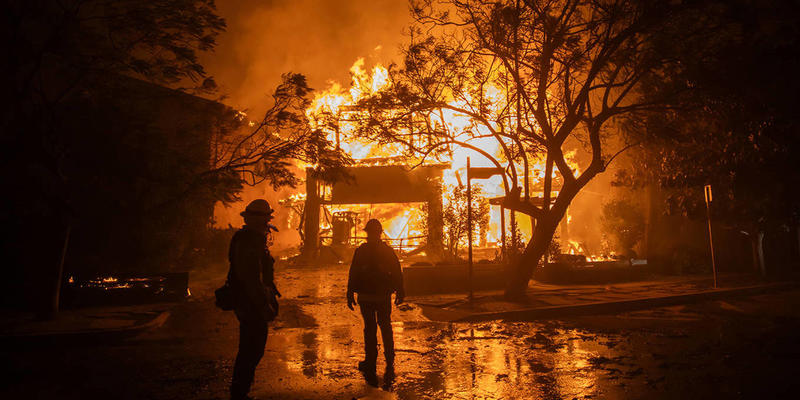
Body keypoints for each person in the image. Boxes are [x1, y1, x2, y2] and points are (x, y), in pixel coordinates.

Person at [229, 199, 281, 400]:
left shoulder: (252, 240)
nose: (268, 225)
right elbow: (250, 278)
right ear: (258, 220)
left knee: (253, 349)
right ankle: (239, 393)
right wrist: (263, 304)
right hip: (250, 303)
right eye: (266, 219)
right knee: (251, 349)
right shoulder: (247, 242)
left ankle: (241, 391)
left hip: (250, 301)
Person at [346, 218, 405, 385]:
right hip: (381, 296)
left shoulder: (361, 251)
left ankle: (370, 361)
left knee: (370, 328)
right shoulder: (386, 251)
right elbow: (396, 271)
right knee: (385, 326)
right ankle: (389, 358)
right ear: (379, 233)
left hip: (366, 297)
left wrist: (350, 293)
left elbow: (354, 272)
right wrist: (400, 291)